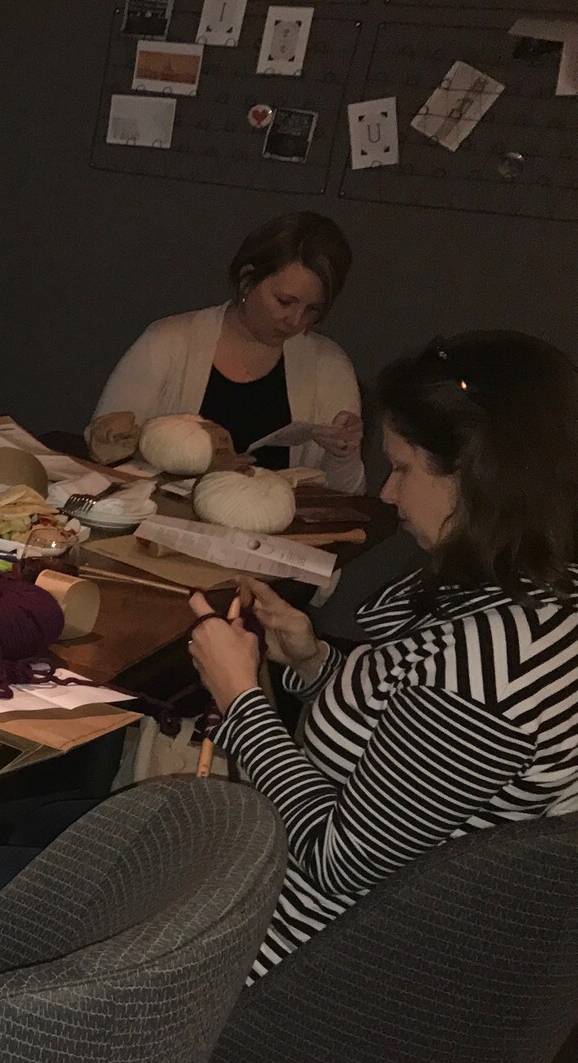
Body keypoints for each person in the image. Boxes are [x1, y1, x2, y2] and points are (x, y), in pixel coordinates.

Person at [190, 331, 578, 979]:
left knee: (2, 879)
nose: (390, 495)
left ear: (479, 476)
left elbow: (334, 859)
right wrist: (313, 663)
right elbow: (409, 730)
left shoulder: (485, 675)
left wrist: (241, 703)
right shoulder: (543, 595)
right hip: (305, 924)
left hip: (291, 970)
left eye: (402, 468)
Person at [94, 211, 365, 489]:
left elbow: (347, 495)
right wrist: (188, 467)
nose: (295, 321)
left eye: (311, 310)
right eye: (284, 302)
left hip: (276, 529)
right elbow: (104, 450)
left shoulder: (329, 365)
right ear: (247, 279)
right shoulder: (167, 342)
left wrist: (343, 454)